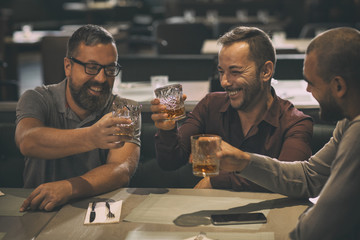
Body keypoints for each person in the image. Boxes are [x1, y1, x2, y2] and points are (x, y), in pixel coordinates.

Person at [217, 27, 360, 239]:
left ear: (338, 86)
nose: (308, 91)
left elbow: (319, 229)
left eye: (311, 83)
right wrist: (243, 162)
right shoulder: (348, 120)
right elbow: (310, 176)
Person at [150, 26, 313, 191]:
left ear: (265, 71)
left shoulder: (295, 123)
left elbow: (291, 181)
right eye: (221, 72)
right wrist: (167, 130)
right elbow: (170, 162)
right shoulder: (210, 105)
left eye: (235, 72)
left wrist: (216, 181)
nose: (224, 82)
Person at [15, 25, 140, 211]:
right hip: (38, 211)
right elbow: (28, 141)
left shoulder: (124, 108)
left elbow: (121, 170)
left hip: (101, 215)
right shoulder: (38, 98)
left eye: (110, 69)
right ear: (68, 66)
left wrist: (69, 188)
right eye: (92, 68)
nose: (101, 78)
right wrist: (91, 137)